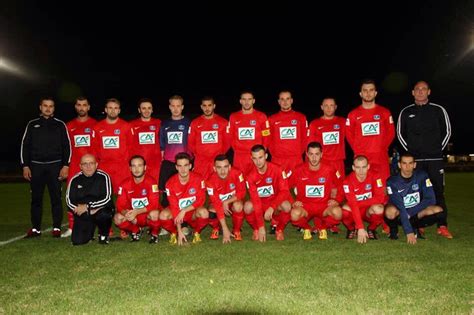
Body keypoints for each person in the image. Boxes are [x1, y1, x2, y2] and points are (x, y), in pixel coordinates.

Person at [397, 80, 452, 237]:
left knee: (438, 192)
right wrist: (411, 154)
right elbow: (400, 134)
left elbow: (447, 131)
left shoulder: (438, 110)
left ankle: (442, 225)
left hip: (434, 160)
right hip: (416, 162)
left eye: (423, 89)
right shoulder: (406, 112)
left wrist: (436, 151)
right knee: (416, 193)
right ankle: (418, 224)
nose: (420, 91)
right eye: (417, 89)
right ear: (413, 93)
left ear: (429, 92)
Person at [20, 97, 71, 238]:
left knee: (56, 198)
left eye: (51, 106)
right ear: (40, 107)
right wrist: (25, 166)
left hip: (55, 166)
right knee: (36, 199)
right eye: (45, 106)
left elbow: (67, 146)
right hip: (36, 167)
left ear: (54, 108)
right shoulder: (32, 124)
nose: (48, 108)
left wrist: (65, 165)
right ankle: (36, 228)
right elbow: (25, 146)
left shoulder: (60, 125)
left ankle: (56, 228)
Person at [385, 152, 452, 244]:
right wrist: (409, 232)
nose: (407, 167)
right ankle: (393, 229)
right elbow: (400, 206)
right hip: (399, 213)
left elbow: (431, 199)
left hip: (415, 212)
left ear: (414, 164)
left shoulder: (422, 176)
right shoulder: (392, 181)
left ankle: (415, 225)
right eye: (404, 163)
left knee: (438, 210)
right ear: (399, 165)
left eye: (410, 163)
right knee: (390, 212)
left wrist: (411, 212)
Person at [289, 142, 343, 240]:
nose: (314, 158)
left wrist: (337, 200)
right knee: (294, 214)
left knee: (338, 212)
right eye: (311, 154)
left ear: (321, 154)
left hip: (324, 206)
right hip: (305, 206)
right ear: (307, 154)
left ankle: (323, 228)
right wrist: (293, 202)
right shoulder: (298, 170)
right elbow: (285, 188)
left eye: (317, 154)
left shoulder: (330, 169)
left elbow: (341, 186)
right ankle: (307, 228)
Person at [346, 79, 395, 181]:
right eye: (365, 90)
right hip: (362, 159)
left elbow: (391, 133)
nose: (368, 93)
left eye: (371, 90)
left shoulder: (385, 112)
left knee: (383, 189)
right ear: (360, 93)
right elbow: (349, 135)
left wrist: (382, 148)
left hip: (380, 158)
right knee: (364, 189)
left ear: (375, 93)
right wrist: (359, 151)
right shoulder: (353, 114)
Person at [63, 96, 97, 238]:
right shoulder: (69, 126)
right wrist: (65, 166)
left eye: (84, 105)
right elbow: (65, 148)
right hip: (75, 167)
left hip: (91, 167)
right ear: (76, 107)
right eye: (79, 105)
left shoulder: (96, 124)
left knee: (94, 195)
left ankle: (97, 224)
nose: (82, 107)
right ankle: (72, 226)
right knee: (72, 195)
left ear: (88, 107)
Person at [244, 145, 292, 242]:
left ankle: (279, 229)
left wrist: (272, 207)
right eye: (255, 158)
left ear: (266, 156)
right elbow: (256, 200)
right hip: (260, 203)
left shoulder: (278, 169)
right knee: (247, 207)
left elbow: (285, 191)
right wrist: (261, 226)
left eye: (260, 157)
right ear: (251, 158)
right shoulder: (250, 176)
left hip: (275, 201)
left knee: (287, 206)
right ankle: (256, 229)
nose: (258, 162)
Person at [161, 152, 209, 246]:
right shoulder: (170, 183)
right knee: (163, 215)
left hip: (192, 212)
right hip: (178, 213)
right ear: (176, 167)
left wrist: (184, 210)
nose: (183, 169)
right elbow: (174, 208)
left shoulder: (199, 179)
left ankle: (197, 232)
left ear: (190, 166)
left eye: (186, 165)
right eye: (180, 166)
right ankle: (174, 233)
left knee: (204, 212)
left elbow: (201, 200)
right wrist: (179, 231)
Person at [65, 154, 114, 245]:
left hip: (100, 210)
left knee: (104, 214)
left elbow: (107, 198)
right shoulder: (75, 179)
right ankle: (89, 232)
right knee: (78, 241)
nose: (88, 166)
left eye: (91, 163)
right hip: (83, 213)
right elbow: (69, 201)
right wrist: (83, 210)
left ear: (96, 164)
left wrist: (88, 206)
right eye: (85, 164)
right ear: (80, 166)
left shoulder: (103, 177)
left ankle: (103, 234)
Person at [114, 155, 161, 244]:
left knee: (155, 213)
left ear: (145, 167)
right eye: (134, 166)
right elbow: (119, 205)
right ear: (130, 168)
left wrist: (137, 212)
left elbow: (154, 204)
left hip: (147, 214)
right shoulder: (124, 184)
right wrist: (126, 213)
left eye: (140, 165)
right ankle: (135, 231)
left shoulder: (151, 182)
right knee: (117, 218)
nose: (137, 169)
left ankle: (154, 234)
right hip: (133, 215)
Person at [341, 155, 387, 243]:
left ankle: (371, 229)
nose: (361, 171)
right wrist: (360, 228)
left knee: (379, 208)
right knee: (345, 210)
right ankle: (351, 229)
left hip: (368, 211)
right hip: (354, 210)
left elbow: (380, 198)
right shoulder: (347, 182)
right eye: (358, 167)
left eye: (364, 167)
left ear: (368, 166)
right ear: (353, 168)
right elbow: (352, 204)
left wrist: (357, 203)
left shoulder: (376, 176)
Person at [92, 98, 133, 193]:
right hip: (104, 166)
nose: (113, 110)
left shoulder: (126, 126)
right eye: (110, 108)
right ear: (106, 109)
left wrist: (130, 164)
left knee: (124, 194)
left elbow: (131, 146)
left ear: (119, 110)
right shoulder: (97, 127)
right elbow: (94, 148)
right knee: (104, 193)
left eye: (115, 108)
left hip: (122, 167)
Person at [159, 95, 191, 207]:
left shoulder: (188, 123)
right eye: (173, 106)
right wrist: (163, 160)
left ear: (182, 107)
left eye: (178, 106)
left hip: (183, 162)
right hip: (169, 161)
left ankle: (183, 206)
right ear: (169, 107)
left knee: (183, 186)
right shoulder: (165, 124)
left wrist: (190, 160)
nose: (175, 108)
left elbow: (191, 142)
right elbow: (162, 144)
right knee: (166, 188)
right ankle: (166, 208)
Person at [227, 91, 271, 174]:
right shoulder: (234, 116)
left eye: (249, 99)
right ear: (240, 101)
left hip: (256, 156)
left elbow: (266, 135)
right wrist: (237, 149)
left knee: (257, 180)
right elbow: (230, 136)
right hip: (240, 156)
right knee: (240, 181)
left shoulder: (261, 116)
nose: (246, 102)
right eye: (244, 99)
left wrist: (261, 151)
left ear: (253, 101)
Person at [205, 154, 247, 242]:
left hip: (232, 201)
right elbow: (216, 203)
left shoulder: (238, 173)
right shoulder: (209, 181)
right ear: (214, 168)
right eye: (219, 167)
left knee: (238, 206)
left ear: (230, 167)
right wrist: (225, 229)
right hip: (218, 203)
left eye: (225, 167)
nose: (223, 171)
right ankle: (216, 228)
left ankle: (236, 230)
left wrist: (226, 202)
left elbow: (242, 192)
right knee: (211, 211)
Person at [267, 90, 307, 176]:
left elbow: (305, 138)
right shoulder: (271, 119)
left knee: (297, 186)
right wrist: (274, 153)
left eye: (287, 99)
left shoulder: (301, 117)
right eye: (282, 99)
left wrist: (299, 152)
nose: (285, 102)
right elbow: (268, 139)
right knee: (279, 186)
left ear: (291, 100)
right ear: (279, 101)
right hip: (278, 159)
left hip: (296, 159)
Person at [188, 96, 229, 179]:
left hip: (217, 160)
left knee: (217, 184)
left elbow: (227, 142)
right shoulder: (195, 123)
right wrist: (199, 154)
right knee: (200, 185)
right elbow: (190, 142)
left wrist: (220, 155)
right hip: (201, 161)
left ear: (214, 106)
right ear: (201, 107)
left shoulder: (223, 122)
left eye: (209, 105)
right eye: (204, 105)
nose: (207, 108)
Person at [308, 97, 346, 179]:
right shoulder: (314, 124)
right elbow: (309, 146)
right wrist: (308, 163)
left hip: (338, 162)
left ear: (335, 107)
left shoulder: (343, 122)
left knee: (339, 188)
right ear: (322, 107)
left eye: (331, 105)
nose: (329, 108)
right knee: (323, 188)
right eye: (326, 106)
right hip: (322, 162)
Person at [129, 98, 162, 181]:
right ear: (139, 110)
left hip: (155, 162)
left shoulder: (158, 123)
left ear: (152, 110)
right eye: (143, 108)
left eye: (149, 108)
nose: (146, 111)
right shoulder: (132, 125)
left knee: (154, 186)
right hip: (139, 163)